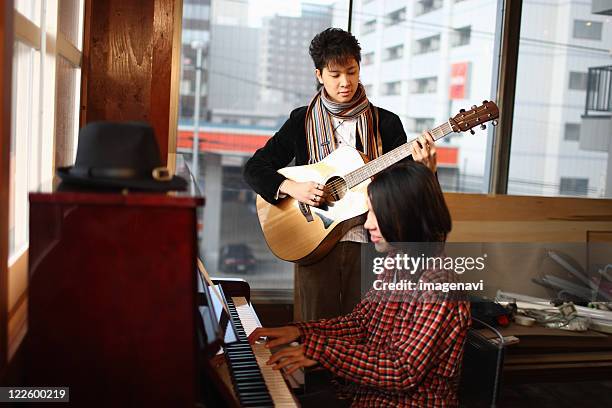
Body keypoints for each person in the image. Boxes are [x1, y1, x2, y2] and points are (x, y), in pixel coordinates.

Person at [243, 27, 438, 321]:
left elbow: (405, 189)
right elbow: (254, 169)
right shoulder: (301, 120)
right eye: (335, 75)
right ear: (319, 74)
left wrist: (427, 170)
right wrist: (292, 188)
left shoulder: (386, 123)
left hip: (372, 249)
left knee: (366, 332)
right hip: (315, 242)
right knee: (314, 333)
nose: (345, 82)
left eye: (351, 71)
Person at [248, 161, 471, 407]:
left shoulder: (439, 285)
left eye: (377, 213)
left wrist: (320, 350)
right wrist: (301, 332)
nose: (367, 224)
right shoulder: (396, 262)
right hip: (365, 396)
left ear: (407, 215)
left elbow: (402, 370)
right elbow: (361, 324)